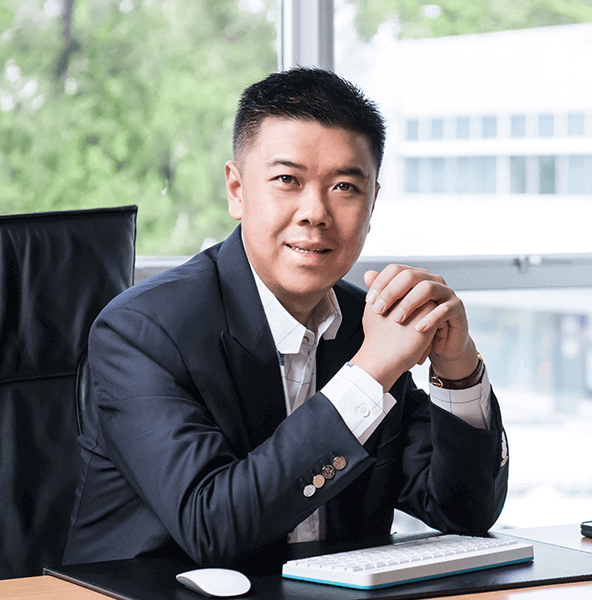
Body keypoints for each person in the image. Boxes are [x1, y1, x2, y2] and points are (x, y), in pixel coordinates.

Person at [63, 67, 508, 573]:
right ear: (237, 189)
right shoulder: (141, 331)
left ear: (372, 203)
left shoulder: (368, 322)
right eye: (287, 181)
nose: (315, 212)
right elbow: (212, 527)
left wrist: (458, 369)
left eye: (344, 186)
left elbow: (463, 512)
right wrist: (367, 375)